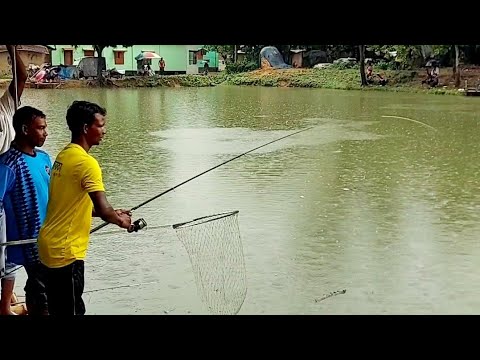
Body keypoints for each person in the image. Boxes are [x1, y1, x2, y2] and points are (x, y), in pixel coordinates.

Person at [38, 100, 133, 315]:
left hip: (49, 246)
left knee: (57, 308)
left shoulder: (64, 155)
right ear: (85, 128)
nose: (104, 131)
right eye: (100, 125)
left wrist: (111, 213)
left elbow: (71, 204)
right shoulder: (87, 163)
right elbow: (102, 206)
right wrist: (122, 221)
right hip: (66, 251)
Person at [0, 106, 50, 316]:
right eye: (40, 128)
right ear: (24, 129)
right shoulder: (8, 164)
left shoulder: (45, 158)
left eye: (46, 127)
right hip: (25, 242)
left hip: (48, 239)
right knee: (43, 296)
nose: (46, 133)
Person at [0, 45, 28, 315]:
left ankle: (6, 300)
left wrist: (11, 47)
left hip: (10, 186)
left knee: (12, 243)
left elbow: (21, 76)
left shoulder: (5, 108)